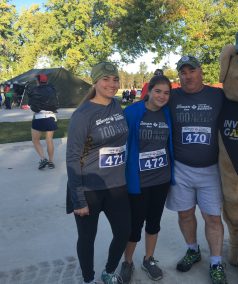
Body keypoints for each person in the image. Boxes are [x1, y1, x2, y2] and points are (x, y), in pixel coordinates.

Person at [66, 62, 131, 284]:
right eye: (106, 79)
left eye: (115, 79)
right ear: (95, 81)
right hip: (89, 187)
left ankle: (109, 271)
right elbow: (73, 158)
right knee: (87, 238)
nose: (112, 84)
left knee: (124, 231)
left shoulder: (116, 105)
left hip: (116, 185)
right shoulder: (83, 115)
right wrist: (78, 199)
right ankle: (88, 278)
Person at [165, 55, 227, 283]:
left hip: (211, 169)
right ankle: (193, 250)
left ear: (201, 72)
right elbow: (150, 108)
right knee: (185, 214)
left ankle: (216, 262)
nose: (187, 76)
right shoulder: (172, 97)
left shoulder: (217, 95)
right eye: (183, 72)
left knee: (212, 217)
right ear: (179, 75)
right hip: (181, 169)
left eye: (192, 71)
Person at [120, 75, 175, 283]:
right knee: (134, 225)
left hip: (161, 179)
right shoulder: (133, 112)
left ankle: (149, 259)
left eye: (167, 93)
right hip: (138, 181)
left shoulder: (167, 114)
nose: (162, 96)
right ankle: (127, 262)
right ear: (149, 91)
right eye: (158, 91)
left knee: (154, 222)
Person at [27, 74, 59, 169]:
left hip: (38, 117)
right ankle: (51, 162)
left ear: (38, 81)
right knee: (49, 140)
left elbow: (30, 104)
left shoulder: (34, 90)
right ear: (46, 81)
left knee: (35, 140)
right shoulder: (52, 89)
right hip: (51, 117)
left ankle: (43, 158)